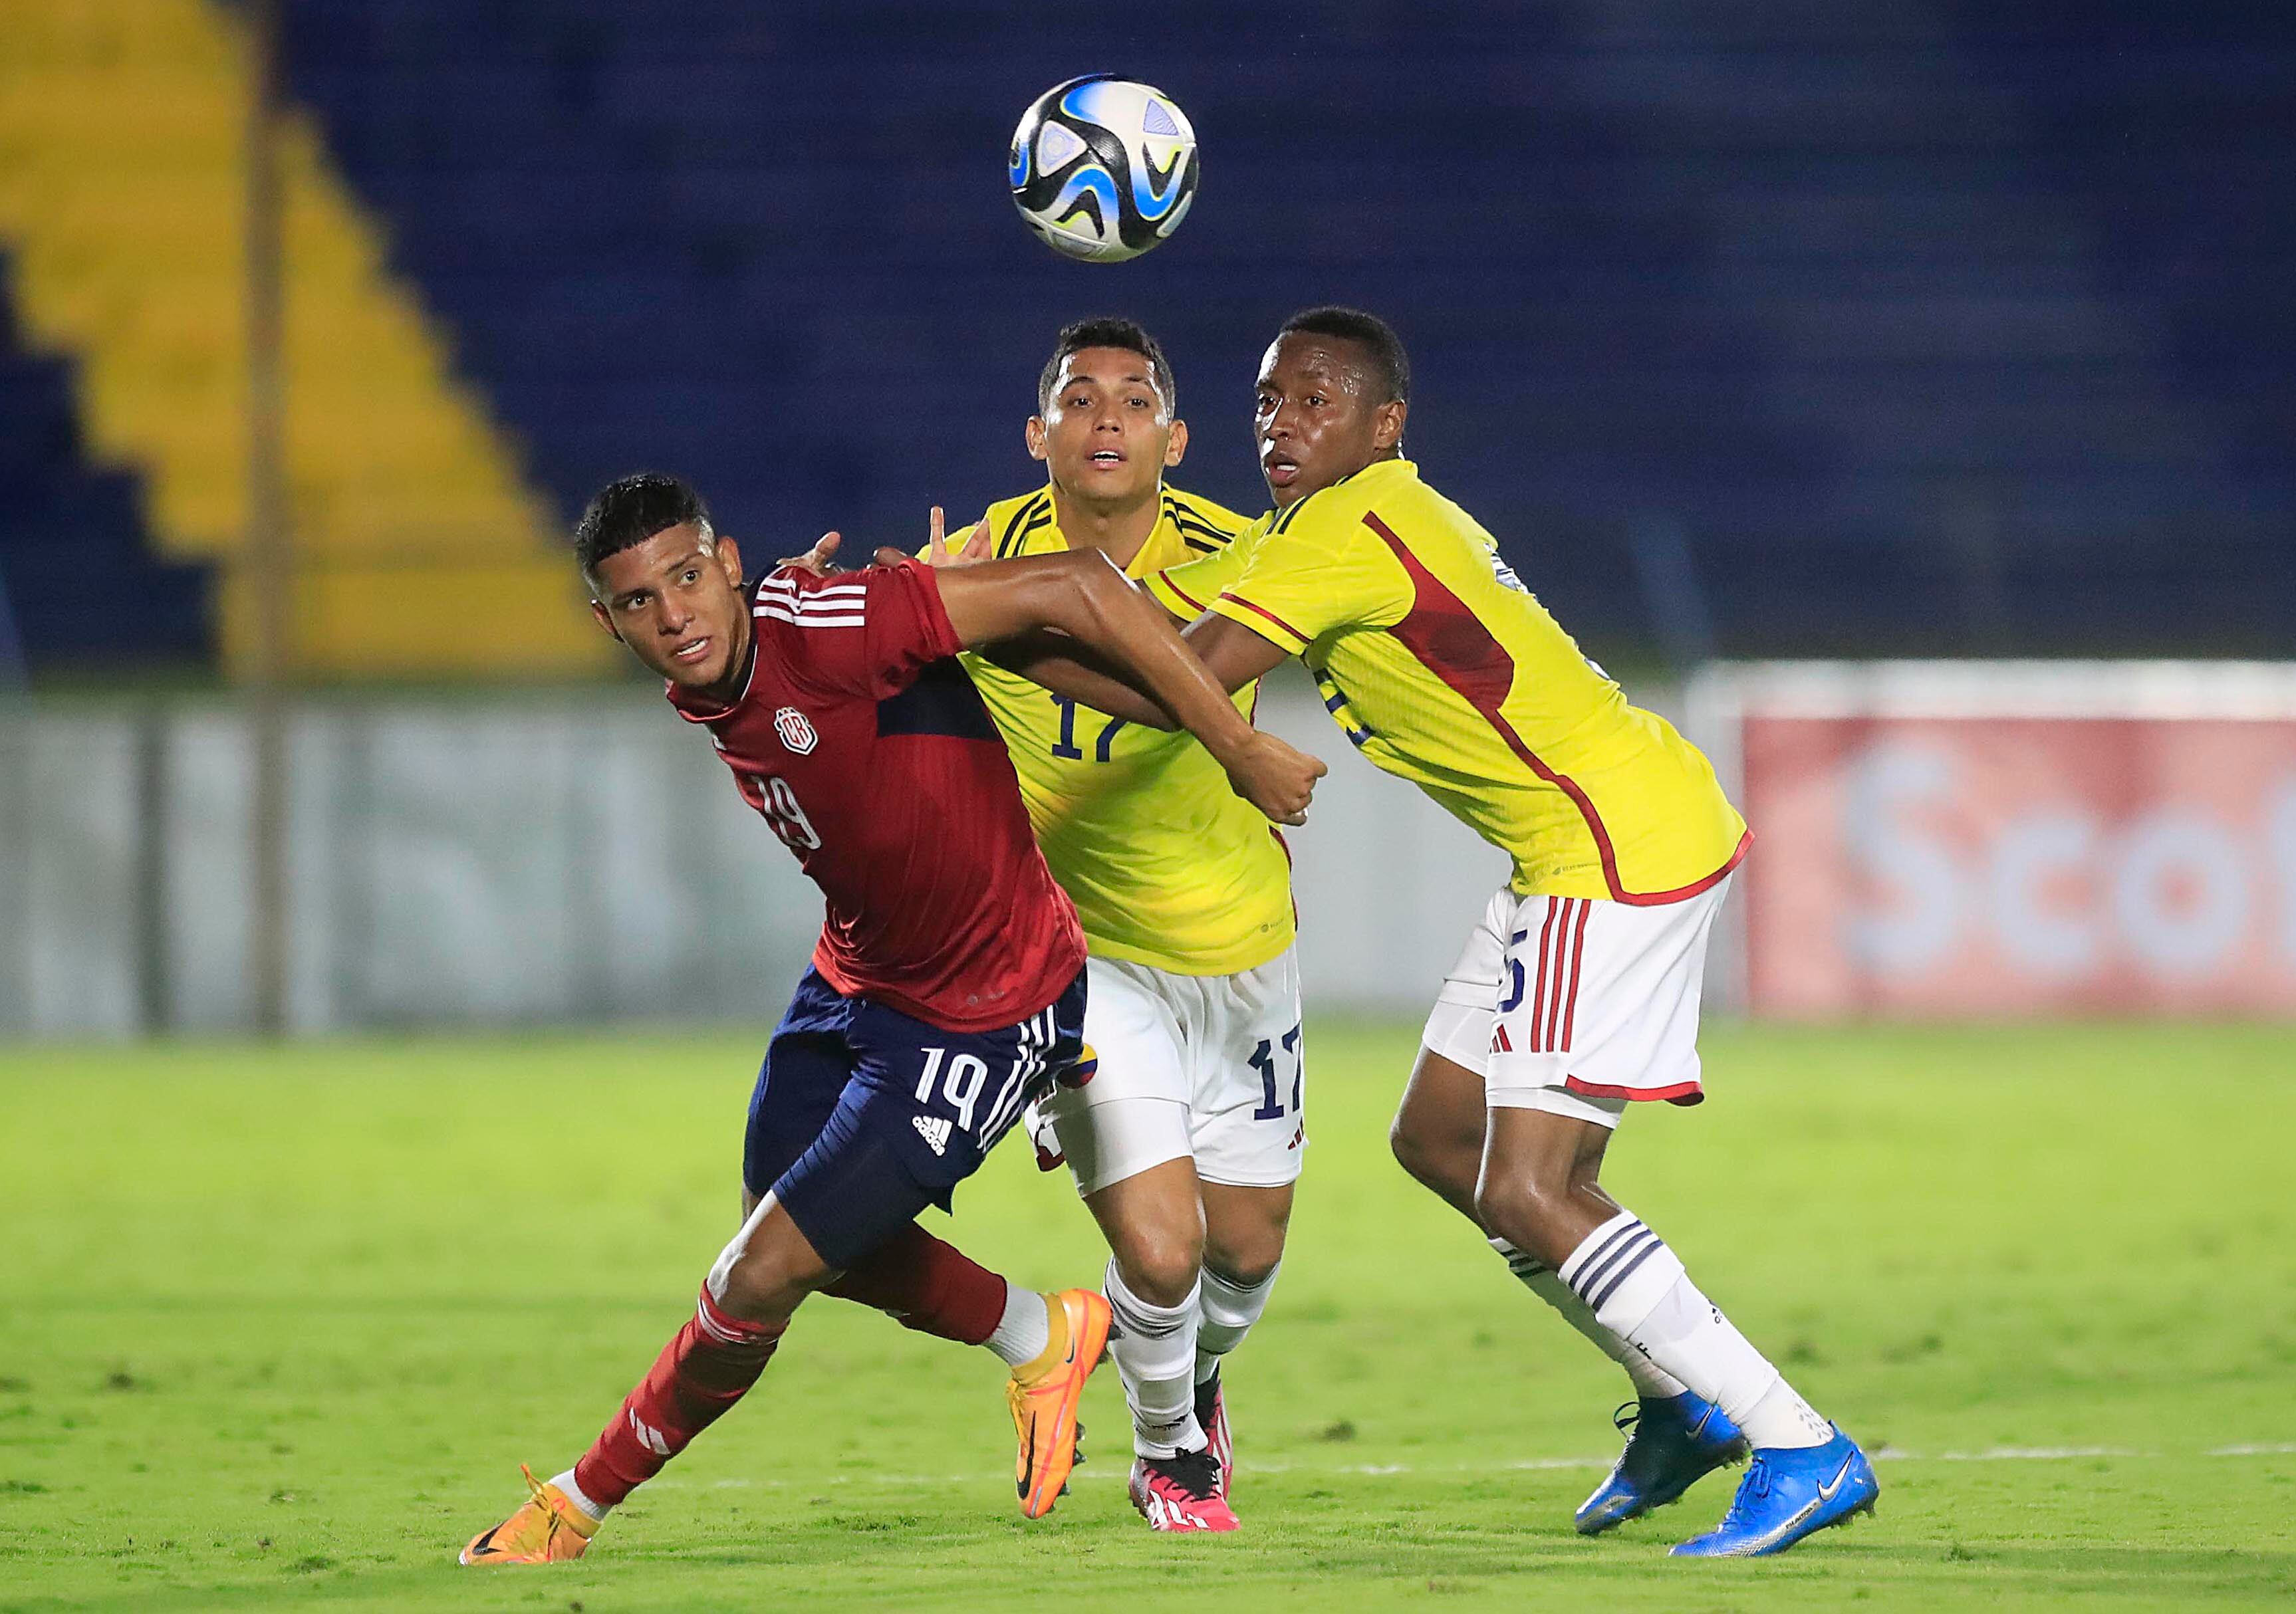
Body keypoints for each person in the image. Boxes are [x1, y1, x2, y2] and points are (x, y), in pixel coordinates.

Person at [984, 307, 1879, 1558]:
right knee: (1441, 1137)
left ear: (1384, 425)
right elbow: (1168, 644)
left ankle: (1795, 1442)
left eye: (1317, 403)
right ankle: (1680, 1407)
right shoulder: (1340, 523)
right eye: (1268, 402)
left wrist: (992, 628)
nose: (1282, 426)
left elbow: (1169, 683)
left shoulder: (1345, 531)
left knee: (1531, 1185)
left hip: (1606, 849)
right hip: (1579, 840)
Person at [459, 473, 1323, 1564]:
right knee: (776, 1220)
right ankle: (1045, 1334)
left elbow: (1076, 581)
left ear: (727, 565)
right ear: (607, 621)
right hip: (860, 977)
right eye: (639, 601)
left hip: (987, 1002)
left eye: (686, 578)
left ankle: (575, 1506)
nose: (672, 615)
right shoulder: (726, 660)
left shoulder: (832, 624)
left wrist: (1235, 744)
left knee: (754, 1277)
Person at [807, 318, 1301, 1533]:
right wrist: (872, 614)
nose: (1106, 417)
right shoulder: (977, 560)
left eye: (1135, 400)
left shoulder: (1250, 560)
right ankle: (1170, 1453)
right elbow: (863, 678)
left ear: (1176, 440)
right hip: (1075, 959)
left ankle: (1194, 1378)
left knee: (1243, 1254)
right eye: (1079, 399)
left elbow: (1209, 679)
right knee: (1163, 1253)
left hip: (1239, 945)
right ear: (1037, 435)